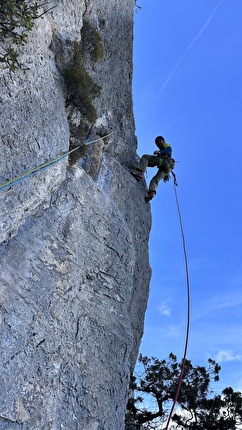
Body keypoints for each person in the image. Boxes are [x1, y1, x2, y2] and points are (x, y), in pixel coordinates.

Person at [132, 136, 174, 201]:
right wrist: (144, 163)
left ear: (163, 141)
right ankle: (151, 193)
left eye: (160, 140)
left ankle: (140, 173)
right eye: (157, 142)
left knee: (145, 157)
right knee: (155, 180)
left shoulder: (165, 146)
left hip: (165, 162)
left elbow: (168, 150)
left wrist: (160, 152)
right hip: (167, 169)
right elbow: (153, 165)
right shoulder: (161, 151)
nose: (159, 142)